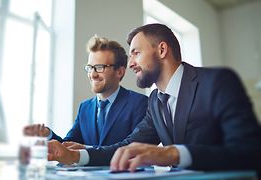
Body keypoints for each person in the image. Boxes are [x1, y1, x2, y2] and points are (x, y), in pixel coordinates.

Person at [47, 23, 261, 173]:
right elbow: (127, 147)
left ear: (161, 50)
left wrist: (172, 154)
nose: (130, 63)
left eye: (136, 53)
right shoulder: (155, 102)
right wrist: (77, 156)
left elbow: (250, 153)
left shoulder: (218, 82)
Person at [24, 35, 148, 150]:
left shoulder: (139, 103)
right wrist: (48, 134)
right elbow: (69, 147)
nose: (92, 74)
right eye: (90, 68)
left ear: (120, 72)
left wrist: (87, 150)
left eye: (99, 67)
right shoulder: (85, 107)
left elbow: (134, 150)